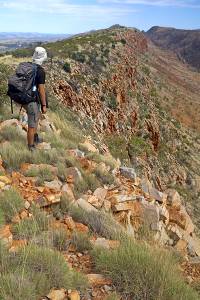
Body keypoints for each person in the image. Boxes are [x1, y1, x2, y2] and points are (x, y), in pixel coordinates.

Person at [23, 46, 48, 151]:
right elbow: (41, 90)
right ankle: (31, 147)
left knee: (35, 117)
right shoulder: (40, 71)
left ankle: (35, 137)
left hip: (24, 96)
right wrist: (44, 105)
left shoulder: (28, 66)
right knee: (32, 124)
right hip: (32, 100)